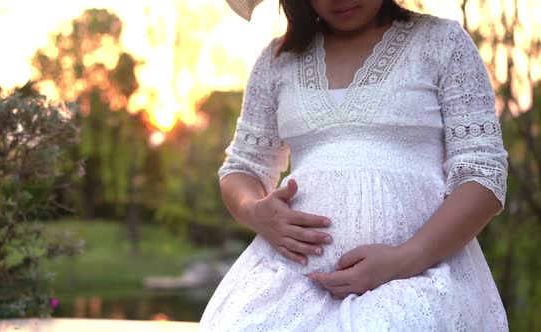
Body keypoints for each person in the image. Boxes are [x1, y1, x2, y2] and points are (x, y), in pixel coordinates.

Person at [199, 0, 509, 330]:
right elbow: (243, 167)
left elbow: (483, 173)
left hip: (422, 278)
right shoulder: (276, 62)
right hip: (287, 286)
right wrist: (253, 210)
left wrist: (407, 258)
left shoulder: (442, 42)